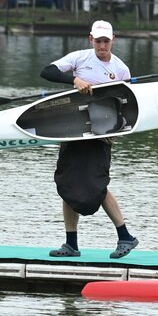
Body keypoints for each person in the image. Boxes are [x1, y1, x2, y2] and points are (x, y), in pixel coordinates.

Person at [40, 19, 139, 259]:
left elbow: (126, 106)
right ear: (90, 39)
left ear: (113, 40)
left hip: (101, 135)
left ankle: (125, 237)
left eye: (106, 41)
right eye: (98, 40)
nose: (102, 45)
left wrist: (116, 133)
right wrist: (74, 80)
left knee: (97, 186)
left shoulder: (121, 69)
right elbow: (47, 72)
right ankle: (71, 244)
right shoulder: (79, 58)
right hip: (73, 131)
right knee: (66, 184)